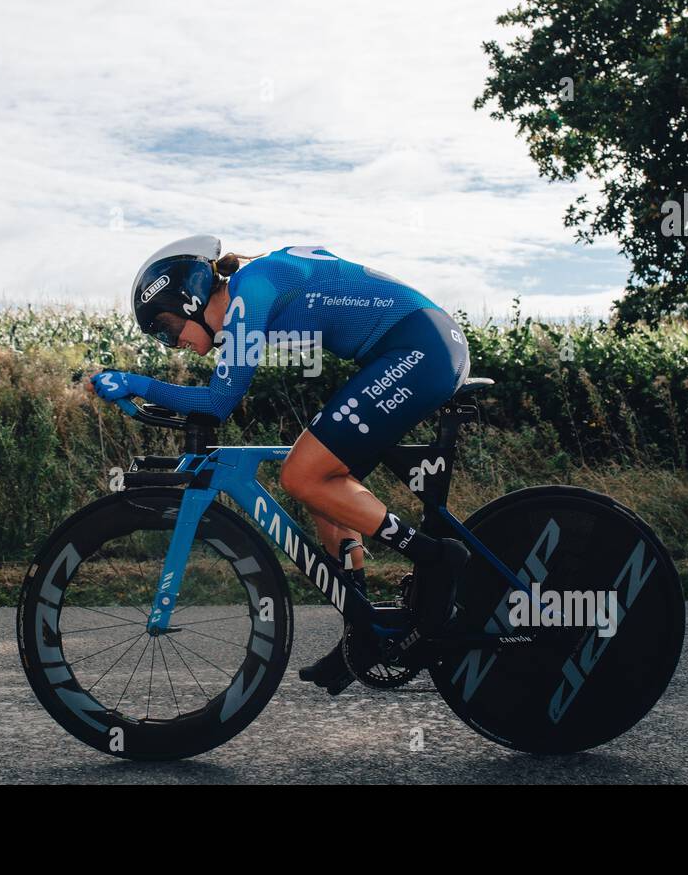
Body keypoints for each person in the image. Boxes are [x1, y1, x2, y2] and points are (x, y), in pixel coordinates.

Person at [84, 234, 472, 694]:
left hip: (419, 350)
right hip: (417, 344)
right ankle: (364, 632)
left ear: (189, 299)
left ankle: (438, 557)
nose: (175, 344)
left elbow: (218, 402)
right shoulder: (253, 288)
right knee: (325, 490)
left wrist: (137, 383)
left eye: (167, 331)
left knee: (301, 475)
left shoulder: (251, 292)